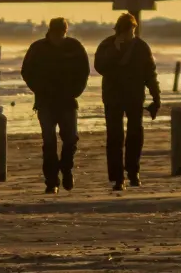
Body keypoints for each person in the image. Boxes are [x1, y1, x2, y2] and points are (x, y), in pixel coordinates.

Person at [20, 17, 90, 193]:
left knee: (71, 139)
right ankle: (51, 181)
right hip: (45, 102)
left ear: (65, 32)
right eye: (56, 33)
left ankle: (66, 170)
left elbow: (84, 71)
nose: (59, 36)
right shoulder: (38, 48)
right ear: (50, 32)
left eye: (62, 33)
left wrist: (76, 91)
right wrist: (39, 89)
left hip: (68, 101)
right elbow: (26, 71)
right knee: (49, 142)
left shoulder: (74, 47)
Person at [94, 13, 160, 191]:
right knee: (114, 137)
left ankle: (133, 172)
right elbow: (99, 67)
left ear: (134, 28)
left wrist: (156, 97)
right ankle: (117, 178)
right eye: (124, 31)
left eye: (130, 30)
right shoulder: (107, 44)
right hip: (112, 96)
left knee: (135, 135)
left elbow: (150, 74)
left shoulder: (141, 47)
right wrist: (114, 50)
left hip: (134, 96)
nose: (128, 34)